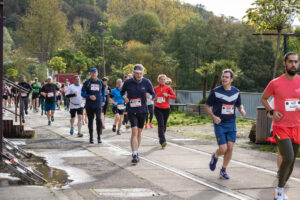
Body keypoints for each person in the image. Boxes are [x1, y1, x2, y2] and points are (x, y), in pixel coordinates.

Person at [261, 52, 300, 200]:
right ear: (284, 63)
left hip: (297, 126)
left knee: (291, 161)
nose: (293, 65)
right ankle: (279, 191)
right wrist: (271, 110)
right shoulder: (275, 83)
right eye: (290, 62)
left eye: (296, 62)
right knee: (288, 157)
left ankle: (281, 190)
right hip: (281, 126)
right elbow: (264, 98)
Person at [205, 69, 246, 179]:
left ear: (231, 79)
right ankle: (216, 155)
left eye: (226, 77)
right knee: (223, 148)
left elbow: (239, 104)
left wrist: (242, 110)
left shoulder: (236, 91)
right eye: (223, 76)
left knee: (230, 148)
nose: (224, 79)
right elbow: (207, 107)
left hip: (231, 123)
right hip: (220, 124)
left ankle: (223, 170)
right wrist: (214, 117)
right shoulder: (215, 91)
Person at [120, 64, 156, 164]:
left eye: (141, 74)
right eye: (137, 73)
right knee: (134, 131)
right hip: (131, 110)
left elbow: (153, 94)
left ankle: (136, 150)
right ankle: (135, 153)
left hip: (143, 110)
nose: (139, 75)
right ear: (134, 73)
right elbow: (122, 92)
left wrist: (150, 96)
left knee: (139, 132)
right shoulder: (128, 82)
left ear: (142, 73)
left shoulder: (147, 82)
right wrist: (124, 98)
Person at [81, 68, 105, 144]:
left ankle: (99, 137)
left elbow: (103, 91)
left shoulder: (100, 82)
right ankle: (91, 137)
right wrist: (89, 96)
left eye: (95, 73)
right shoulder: (87, 82)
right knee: (90, 121)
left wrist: (103, 100)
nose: (93, 74)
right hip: (89, 105)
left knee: (99, 119)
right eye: (92, 73)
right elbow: (82, 93)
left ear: (97, 74)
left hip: (98, 104)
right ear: (90, 74)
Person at [153, 74, 176, 148]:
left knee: (164, 125)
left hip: (166, 108)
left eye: (164, 79)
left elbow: (174, 96)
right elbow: (152, 96)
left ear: (166, 80)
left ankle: (161, 138)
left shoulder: (168, 88)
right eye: (161, 79)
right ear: (159, 80)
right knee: (161, 124)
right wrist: (154, 98)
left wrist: (168, 95)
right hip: (158, 108)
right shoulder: (155, 88)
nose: (163, 81)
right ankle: (163, 140)